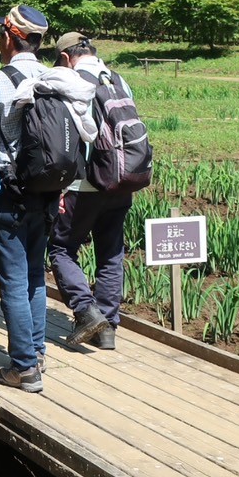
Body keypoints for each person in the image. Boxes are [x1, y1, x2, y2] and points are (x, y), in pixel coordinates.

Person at [0, 3, 53, 393]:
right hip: (47, 191)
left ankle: (24, 368)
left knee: (13, 281)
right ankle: (36, 353)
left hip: (8, 194)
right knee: (36, 275)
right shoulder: (54, 78)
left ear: (7, 37)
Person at [47, 33, 133, 350]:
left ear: (67, 57)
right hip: (121, 179)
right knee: (110, 252)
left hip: (82, 184)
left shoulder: (72, 80)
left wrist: (57, 184)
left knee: (61, 248)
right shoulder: (118, 79)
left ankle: (86, 311)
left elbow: (65, 138)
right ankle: (107, 328)